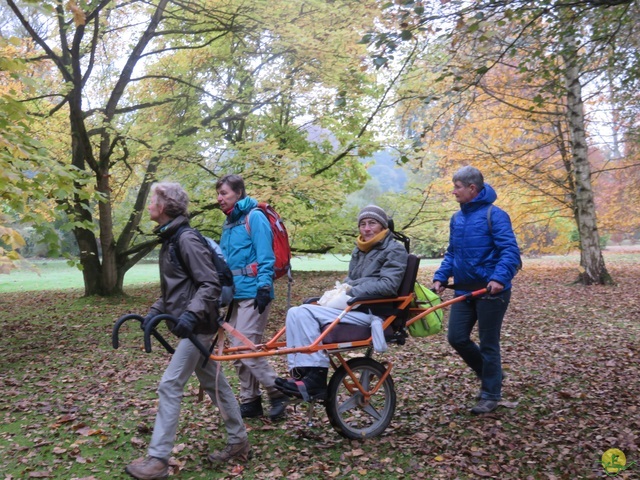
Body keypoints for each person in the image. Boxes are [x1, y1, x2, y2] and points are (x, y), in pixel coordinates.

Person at [125, 182, 250, 480]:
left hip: (200, 326)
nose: (150, 205)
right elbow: (177, 289)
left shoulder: (186, 239)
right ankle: (239, 442)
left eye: (153, 200)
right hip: (193, 323)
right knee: (215, 385)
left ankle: (158, 460)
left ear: (166, 205)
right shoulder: (170, 239)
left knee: (170, 385)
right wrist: (155, 313)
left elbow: (209, 284)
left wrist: (191, 316)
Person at [276, 205, 408, 399]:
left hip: (373, 311)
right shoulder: (360, 249)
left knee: (304, 312)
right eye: (363, 224)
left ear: (383, 226)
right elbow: (350, 280)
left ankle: (317, 380)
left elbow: (388, 285)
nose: (366, 228)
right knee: (296, 312)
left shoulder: (394, 249)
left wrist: (351, 291)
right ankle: (302, 374)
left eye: (372, 223)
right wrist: (336, 293)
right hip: (355, 306)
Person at [432, 166, 521, 414]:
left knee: (489, 343)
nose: (453, 192)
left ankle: (491, 394)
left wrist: (499, 279)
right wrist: (441, 276)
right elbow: (453, 253)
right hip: (463, 291)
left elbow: (510, 252)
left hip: (491, 292)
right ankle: (492, 374)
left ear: (472, 188)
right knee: (456, 337)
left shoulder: (496, 215)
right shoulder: (457, 218)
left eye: (457, 187)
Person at [216, 174, 289, 421]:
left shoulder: (254, 217)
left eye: (224, 193)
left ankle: (277, 391)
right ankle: (251, 400)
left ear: (238, 193)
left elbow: (265, 255)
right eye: (218, 194)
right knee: (237, 352)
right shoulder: (229, 223)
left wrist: (264, 287)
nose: (219, 198)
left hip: (255, 292)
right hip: (236, 294)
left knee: (243, 347)